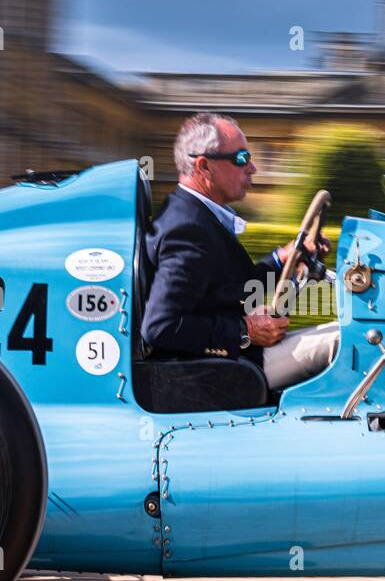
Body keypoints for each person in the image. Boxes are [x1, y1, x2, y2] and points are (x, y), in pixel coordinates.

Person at [141, 112, 340, 390]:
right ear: (204, 166)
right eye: (241, 159)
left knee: (342, 334)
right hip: (212, 372)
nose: (253, 168)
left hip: (230, 359)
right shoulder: (187, 228)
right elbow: (160, 326)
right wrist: (245, 332)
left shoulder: (197, 216)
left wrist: (282, 259)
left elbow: (231, 288)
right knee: (346, 342)